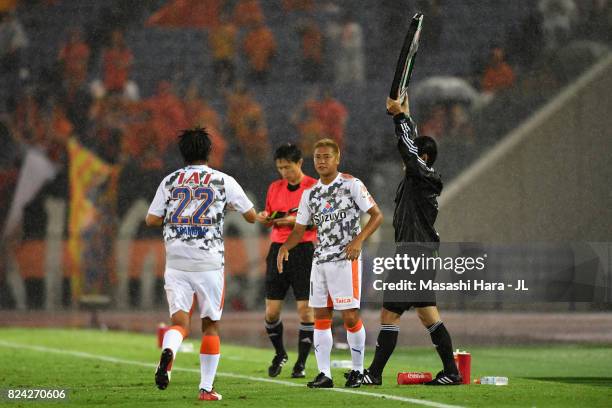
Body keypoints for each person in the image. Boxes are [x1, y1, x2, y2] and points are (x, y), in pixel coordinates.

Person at [146, 127, 257, 401]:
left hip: (177, 261)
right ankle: (206, 389)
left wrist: (177, 214)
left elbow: (151, 219)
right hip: (209, 263)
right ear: (209, 151)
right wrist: (223, 208)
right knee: (210, 325)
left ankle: (169, 351)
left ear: (183, 153)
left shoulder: (170, 181)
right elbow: (252, 216)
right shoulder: (222, 180)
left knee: (180, 322)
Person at [360, 95, 462, 386]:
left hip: (413, 253)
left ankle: (375, 374)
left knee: (389, 312)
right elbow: (412, 143)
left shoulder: (421, 175)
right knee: (429, 315)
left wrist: (397, 119)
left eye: (415, 155)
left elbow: (408, 149)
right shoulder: (423, 177)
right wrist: (405, 113)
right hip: (421, 253)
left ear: (423, 158)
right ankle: (452, 371)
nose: (405, 159)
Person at [277, 138, 383, 388]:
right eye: (317, 157)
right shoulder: (310, 193)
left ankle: (358, 370)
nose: (321, 161)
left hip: (346, 260)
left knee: (349, 316)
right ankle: (325, 374)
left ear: (337, 159)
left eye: (326, 157)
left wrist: (358, 241)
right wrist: (284, 247)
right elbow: (300, 229)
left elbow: (376, 215)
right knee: (321, 317)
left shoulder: (351, 184)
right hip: (321, 261)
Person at [255, 144, 317, 378]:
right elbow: (271, 215)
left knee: (305, 311)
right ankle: (280, 353)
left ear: (300, 163)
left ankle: (300, 363)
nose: (284, 172)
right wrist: (265, 217)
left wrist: (294, 221)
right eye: (280, 168)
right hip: (278, 250)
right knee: (271, 312)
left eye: (287, 167)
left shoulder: (313, 187)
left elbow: (317, 221)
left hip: (302, 250)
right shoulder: (274, 188)